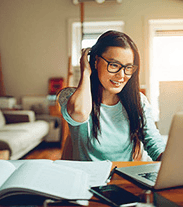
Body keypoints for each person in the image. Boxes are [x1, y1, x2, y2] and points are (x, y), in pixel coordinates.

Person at [58, 30, 165, 161]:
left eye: (128, 67)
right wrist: (86, 71)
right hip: (88, 179)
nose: (121, 75)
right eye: (114, 65)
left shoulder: (138, 101)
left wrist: (171, 161)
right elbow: (79, 113)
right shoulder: (70, 96)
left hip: (123, 178)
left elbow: (154, 142)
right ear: (96, 61)